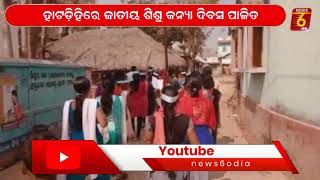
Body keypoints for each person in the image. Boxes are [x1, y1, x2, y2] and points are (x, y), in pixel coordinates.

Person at [148, 85, 199, 180]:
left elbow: (147, 141)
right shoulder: (186, 120)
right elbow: (196, 145)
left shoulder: (152, 119)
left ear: (162, 101)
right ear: (177, 101)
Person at [64, 76, 109, 180]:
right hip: (92, 140)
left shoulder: (69, 104)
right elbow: (103, 123)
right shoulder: (93, 104)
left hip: (75, 140)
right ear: (88, 89)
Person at [176, 72, 216, 145]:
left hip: (187, 139)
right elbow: (212, 125)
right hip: (205, 139)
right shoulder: (207, 102)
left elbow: (178, 124)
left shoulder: (182, 102)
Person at [127, 72, 148, 140]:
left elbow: (129, 93)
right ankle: (138, 135)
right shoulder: (143, 83)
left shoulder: (131, 84)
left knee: (132, 120)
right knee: (139, 120)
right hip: (141, 104)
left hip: (132, 103)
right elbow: (145, 93)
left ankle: (133, 134)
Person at [202, 75, 222, 143]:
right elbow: (217, 108)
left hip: (205, 121)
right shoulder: (216, 93)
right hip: (213, 121)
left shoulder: (201, 93)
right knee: (212, 139)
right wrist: (218, 121)